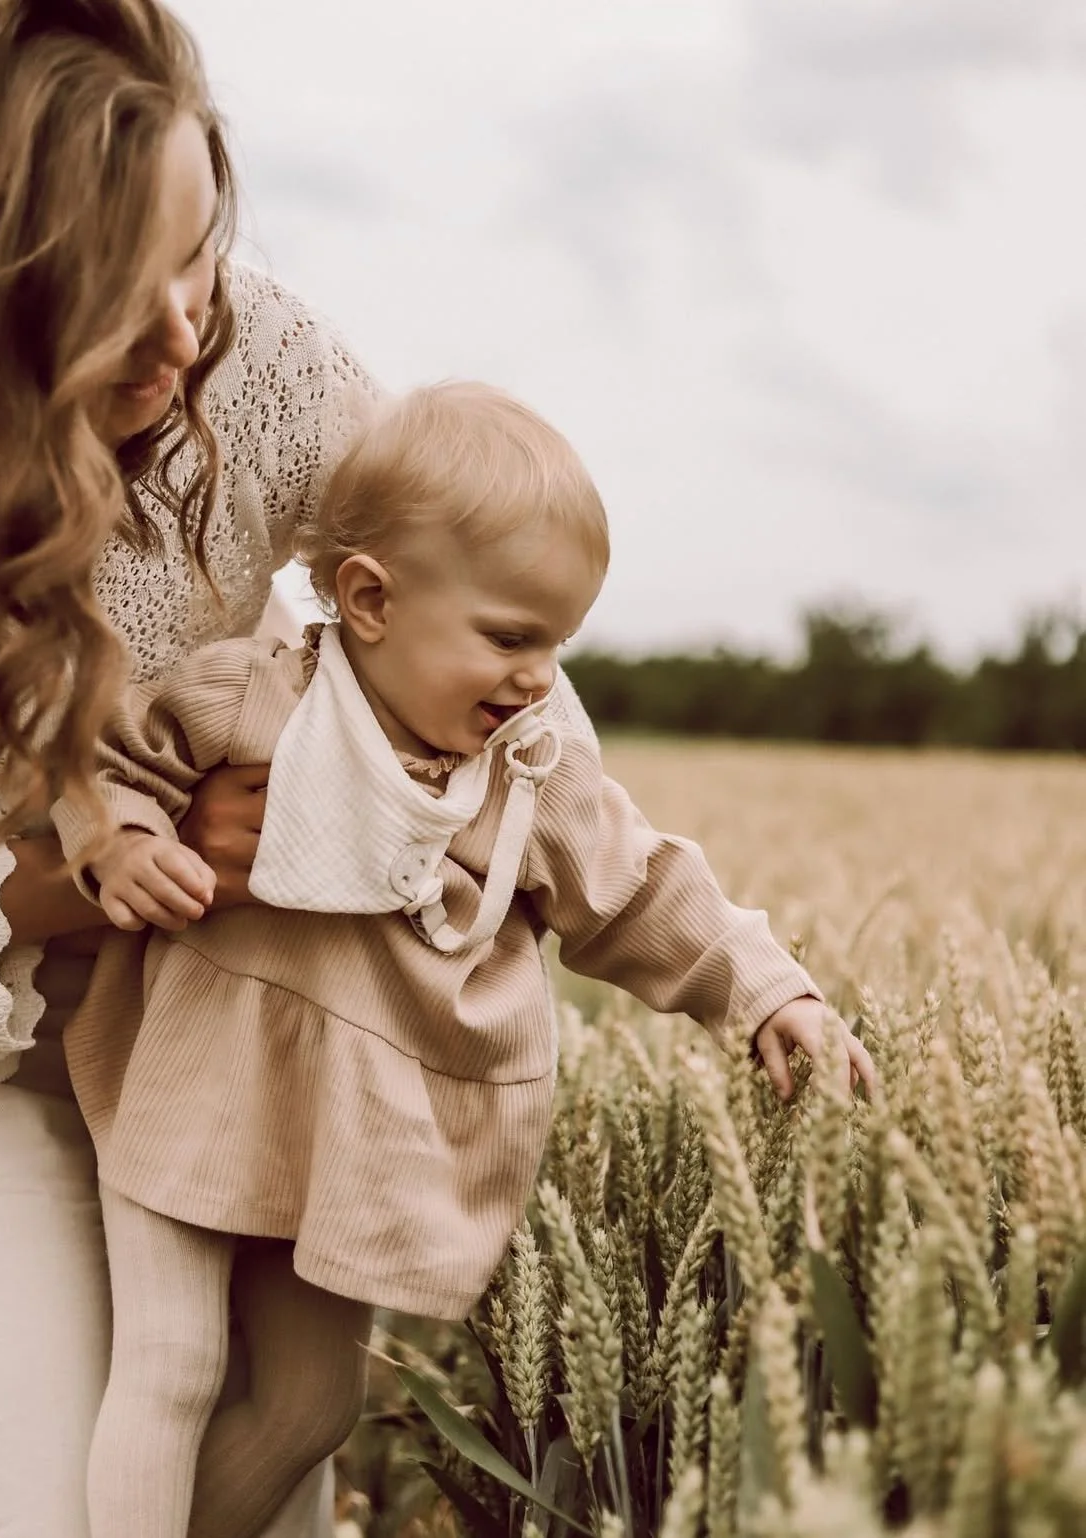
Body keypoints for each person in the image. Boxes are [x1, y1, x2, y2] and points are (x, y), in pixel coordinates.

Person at [51, 382, 877, 1538]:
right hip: (198, 1068)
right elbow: (109, 760)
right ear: (371, 599)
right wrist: (126, 842)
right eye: (510, 635)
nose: (540, 674)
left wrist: (761, 986)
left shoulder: (530, 767)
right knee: (175, 1357)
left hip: (350, 1126)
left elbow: (638, 882)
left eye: (560, 643)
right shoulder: (263, 696)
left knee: (310, 1404)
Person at [0, 1, 399, 1533]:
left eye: (196, 252)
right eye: (108, 291)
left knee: (254, 1491)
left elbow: (474, 602)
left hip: (221, 1022)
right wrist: (87, 882)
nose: (186, 330)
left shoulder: (260, 364)